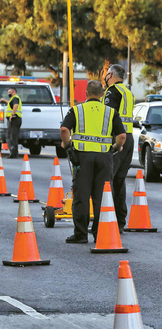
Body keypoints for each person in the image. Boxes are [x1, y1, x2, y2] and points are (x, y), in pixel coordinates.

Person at [60, 80, 126, 244]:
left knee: (82, 195)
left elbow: (64, 130)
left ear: (86, 94)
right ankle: (99, 232)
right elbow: (122, 136)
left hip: (82, 158)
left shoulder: (77, 110)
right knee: (101, 196)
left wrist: (66, 144)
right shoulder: (110, 112)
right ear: (102, 94)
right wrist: (116, 147)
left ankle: (81, 234)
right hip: (104, 158)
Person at [102, 64, 135, 232]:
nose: (105, 77)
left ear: (111, 75)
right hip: (129, 138)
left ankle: (109, 219)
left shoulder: (112, 91)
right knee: (120, 181)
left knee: (108, 179)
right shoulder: (128, 92)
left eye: (107, 74)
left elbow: (108, 115)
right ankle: (120, 221)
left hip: (118, 138)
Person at [1, 87, 22, 158]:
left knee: (9, 136)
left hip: (14, 119)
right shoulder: (14, 99)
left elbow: (15, 105)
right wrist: (4, 100)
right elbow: (11, 103)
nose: (8, 94)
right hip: (16, 119)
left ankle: (12, 150)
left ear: (14, 92)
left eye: (9, 93)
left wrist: (12, 115)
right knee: (13, 137)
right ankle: (15, 153)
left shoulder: (15, 98)